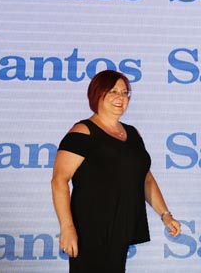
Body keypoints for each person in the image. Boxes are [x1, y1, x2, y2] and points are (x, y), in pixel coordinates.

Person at [51, 69, 181, 272]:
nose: (120, 97)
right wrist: (67, 227)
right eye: (113, 91)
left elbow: (145, 178)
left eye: (124, 92)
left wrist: (165, 215)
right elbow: (59, 180)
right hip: (90, 227)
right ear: (97, 94)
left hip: (122, 226)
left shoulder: (132, 133)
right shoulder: (82, 132)